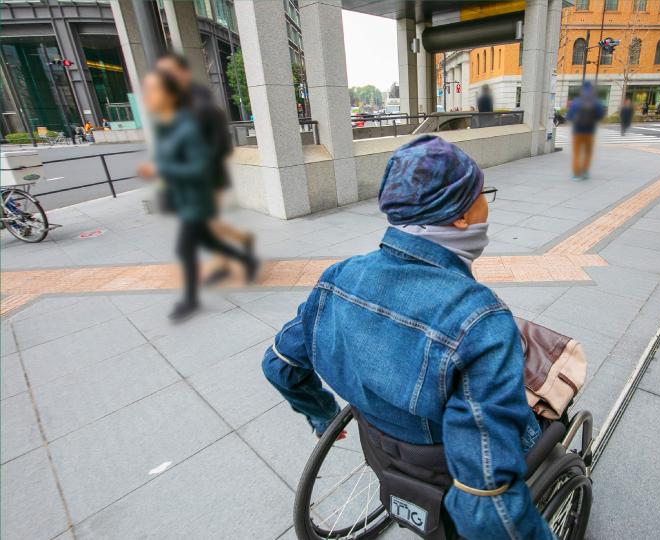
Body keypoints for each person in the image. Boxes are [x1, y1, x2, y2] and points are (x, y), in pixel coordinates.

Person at [262, 134, 554, 540]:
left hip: (382, 448)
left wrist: (323, 413)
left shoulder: (337, 279)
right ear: (460, 216)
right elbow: (485, 496)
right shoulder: (481, 320)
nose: (487, 203)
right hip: (448, 463)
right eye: (482, 193)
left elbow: (279, 364)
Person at [136, 69, 258, 321]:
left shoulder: (188, 123)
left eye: (153, 89)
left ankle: (190, 300)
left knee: (186, 248)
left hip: (198, 192)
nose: (147, 95)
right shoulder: (166, 123)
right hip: (181, 192)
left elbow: (200, 162)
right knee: (208, 238)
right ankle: (246, 258)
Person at [156, 52, 255, 286]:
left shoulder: (205, 108)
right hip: (187, 180)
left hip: (207, 179)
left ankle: (239, 257)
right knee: (207, 225)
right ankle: (235, 253)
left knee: (203, 226)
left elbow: (222, 146)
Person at [566, 80, 604, 180]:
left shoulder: (576, 101)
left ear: (582, 91)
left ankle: (576, 174)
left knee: (577, 153)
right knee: (588, 152)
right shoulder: (596, 101)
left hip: (577, 131)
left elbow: (569, 116)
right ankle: (585, 171)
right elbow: (600, 115)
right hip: (590, 131)